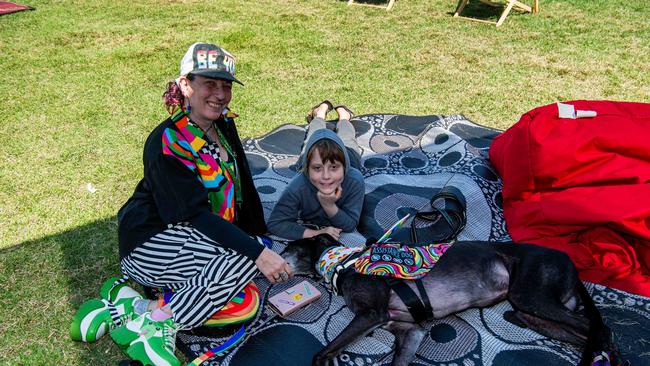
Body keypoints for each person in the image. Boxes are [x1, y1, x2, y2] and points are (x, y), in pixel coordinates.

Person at [70, 42, 293, 366]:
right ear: (186, 85)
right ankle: (160, 324)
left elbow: (240, 179)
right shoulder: (166, 142)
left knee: (250, 264)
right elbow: (194, 216)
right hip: (150, 241)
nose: (220, 94)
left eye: (226, 85)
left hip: (191, 238)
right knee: (248, 259)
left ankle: (129, 308)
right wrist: (259, 252)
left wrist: (259, 236)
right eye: (210, 84)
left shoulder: (222, 124)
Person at [267, 101, 365, 241]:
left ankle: (344, 117)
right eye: (317, 168)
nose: (326, 176)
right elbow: (276, 223)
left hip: (347, 154)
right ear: (308, 168)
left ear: (344, 167)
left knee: (348, 139)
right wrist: (316, 233)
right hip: (313, 154)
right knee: (312, 137)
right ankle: (319, 114)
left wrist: (329, 205)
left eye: (334, 168)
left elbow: (350, 225)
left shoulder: (354, 179)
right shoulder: (299, 184)